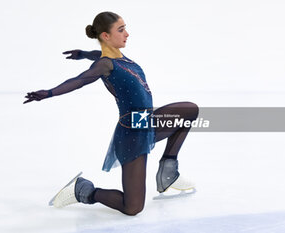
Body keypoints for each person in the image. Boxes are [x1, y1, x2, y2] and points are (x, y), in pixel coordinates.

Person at [24, 11, 199, 216]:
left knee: (190, 110)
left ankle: (168, 172)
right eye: (121, 29)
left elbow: (94, 53)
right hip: (131, 132)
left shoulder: (111, 55)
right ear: (106, 36)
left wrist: (81, 53)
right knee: (132, 207)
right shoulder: (105, 64)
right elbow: (80, 80)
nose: (127, 34)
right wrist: (49, 93)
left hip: (146, 121)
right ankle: (83, 190)